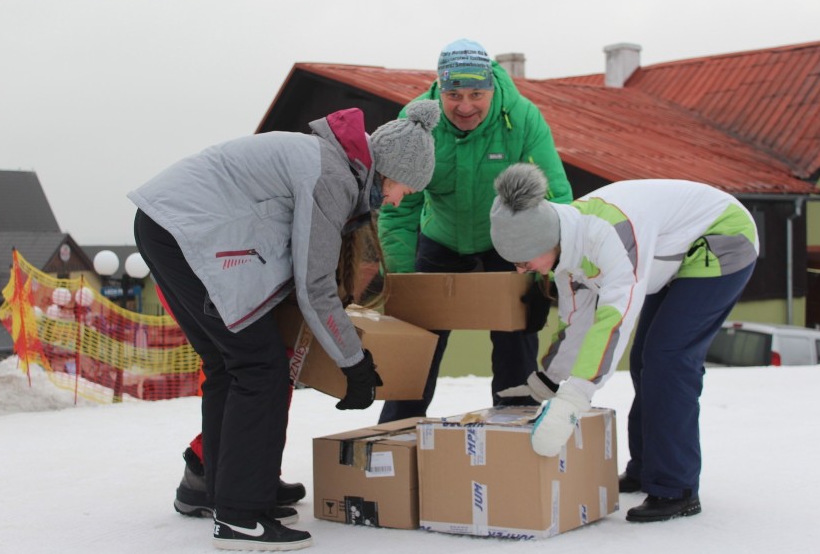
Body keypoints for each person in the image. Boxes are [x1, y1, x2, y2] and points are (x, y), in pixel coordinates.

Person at [128, 100, 440, 551]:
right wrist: (354, 364)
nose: (398, 201)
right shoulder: (330, 176)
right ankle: (238, 517)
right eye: (406, 191)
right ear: (390, 171)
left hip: (166, 223)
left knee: (228, 364)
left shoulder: (333, 163)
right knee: (260, 368)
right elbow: (314, 285)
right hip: (184, 230)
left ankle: (227, 490)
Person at [490, 164, 759, 523]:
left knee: (668, 359)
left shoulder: (609, 235)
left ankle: (675, 488)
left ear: (544, 243)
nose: (521, 270)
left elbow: (614, 319)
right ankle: (647, 468)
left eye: (523, 261)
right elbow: (576, 324)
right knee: (645, 361)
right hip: (672, 256)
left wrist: (573, 400)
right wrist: (547, 385)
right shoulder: (566, 256)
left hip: (722, 239)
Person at [377, 39, 573, 423]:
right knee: (418, 341)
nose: (465, 106)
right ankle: (396, 436)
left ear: (491, 88)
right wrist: (402, 278)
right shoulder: (418, 122)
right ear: (439, 89)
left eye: (476, 94)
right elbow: (400, 208)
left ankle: (516, 431)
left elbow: (556, 196)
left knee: (516, 339)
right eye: (454, 94)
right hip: (441, 239)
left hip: (508, 246)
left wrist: (551, 266)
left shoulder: (522, 118)